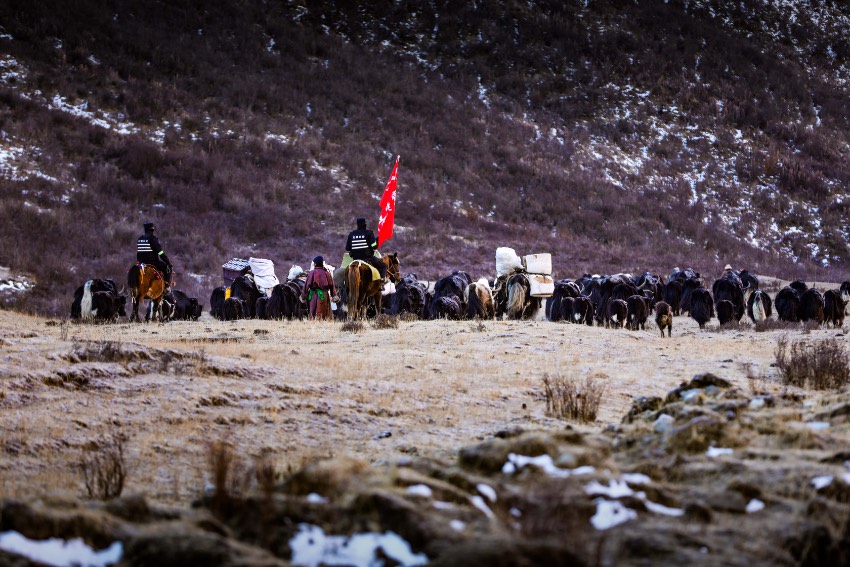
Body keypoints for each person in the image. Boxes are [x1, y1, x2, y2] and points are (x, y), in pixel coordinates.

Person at [345, 217, 387, 281]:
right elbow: (374, 246)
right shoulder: (369, 233)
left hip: (355, 259)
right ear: (365, 224)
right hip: (368, 258)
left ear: (357, 225)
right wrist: (377, 240)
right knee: (383, 266)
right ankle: (381, 281)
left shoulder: (351, 234)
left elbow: (347, 248)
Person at [136, 222, 173, 288]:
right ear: (152, 229)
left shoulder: (140, 239)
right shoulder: (153, 239)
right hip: (153, 262)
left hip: (141, 263)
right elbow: (160, 253)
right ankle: (166, 287)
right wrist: (168, 263)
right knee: (166, 268)